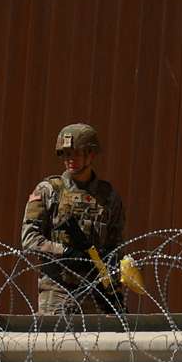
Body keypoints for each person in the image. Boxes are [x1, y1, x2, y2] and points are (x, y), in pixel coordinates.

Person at [20, 123, 127, 315]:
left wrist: (110, 271)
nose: (70, 159)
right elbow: (29, 239)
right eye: (66, 154)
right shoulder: (49, 191)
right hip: (57, 291)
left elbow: (116, 245)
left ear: (91, 155)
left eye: (76, 153)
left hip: (96, 292)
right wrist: (65, 252)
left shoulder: (109, 197)